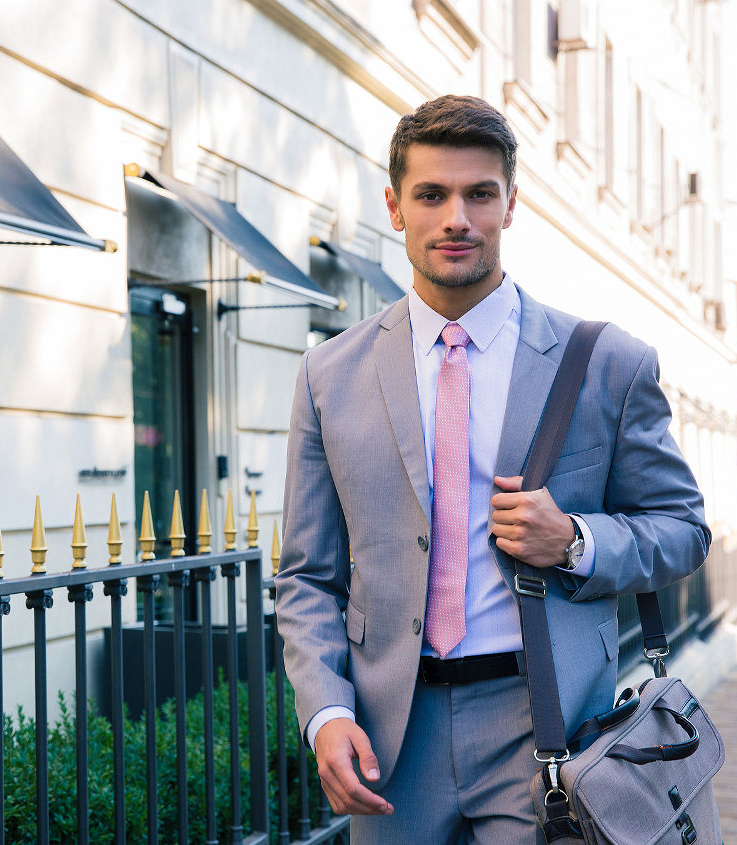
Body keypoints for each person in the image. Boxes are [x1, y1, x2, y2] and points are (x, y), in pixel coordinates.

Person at [274, 94, 710, 844]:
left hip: (546, 724)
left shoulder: (607, 364)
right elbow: (307, 576)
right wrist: (326, 710)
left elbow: (684, 530)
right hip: (391, 735)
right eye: (432, 195)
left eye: (480, 193)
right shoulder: (327, 375)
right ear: (395, 206)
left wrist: (575, 539)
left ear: (511, 204)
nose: (457, 218)